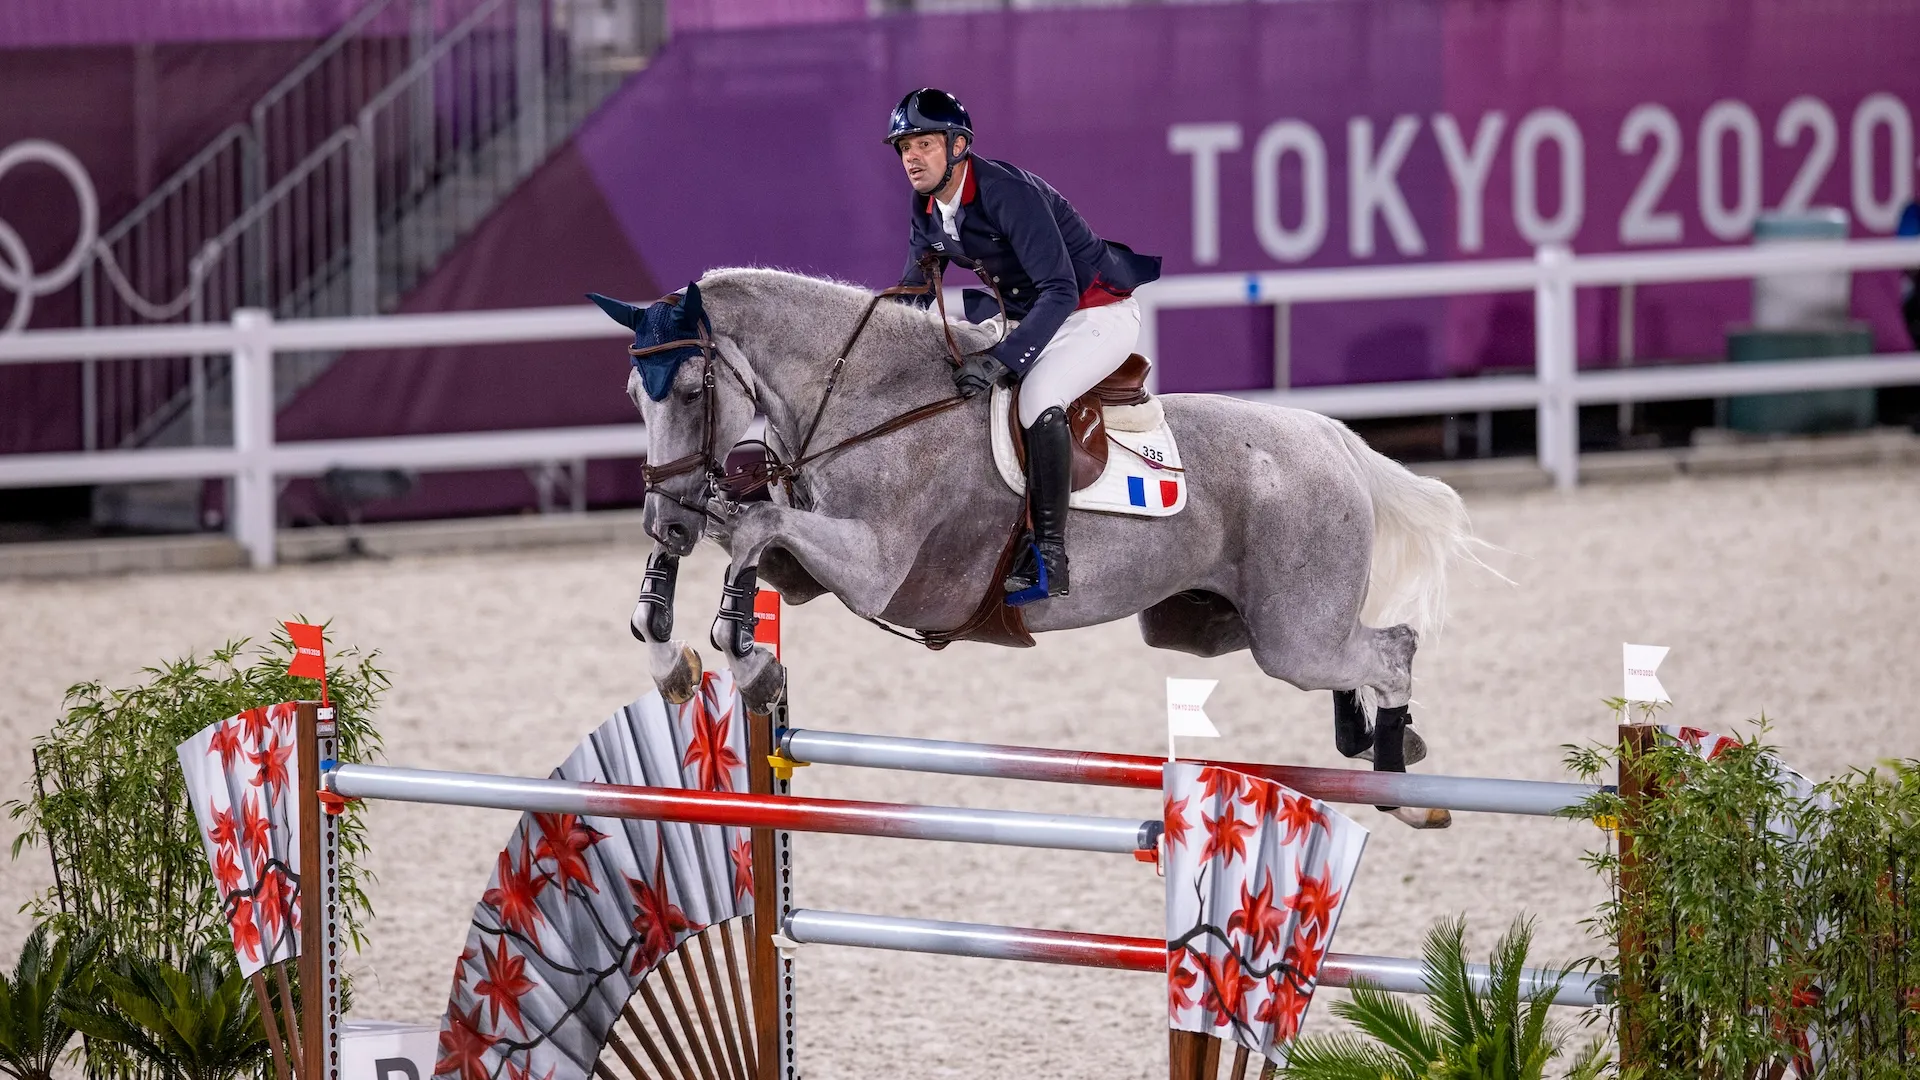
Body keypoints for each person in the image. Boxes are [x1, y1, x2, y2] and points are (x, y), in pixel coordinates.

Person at [887, 87, 1161, 603]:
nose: (911, 158)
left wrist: (1003, 361)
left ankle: (1048, 554)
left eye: (924, 144)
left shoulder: (1006, 193)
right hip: (1025, 313)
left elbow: (1060, 289)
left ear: (958, 146)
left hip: (1091, 311)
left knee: (1037, 396)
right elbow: (914, 293)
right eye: (904, 147)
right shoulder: (926, 206)